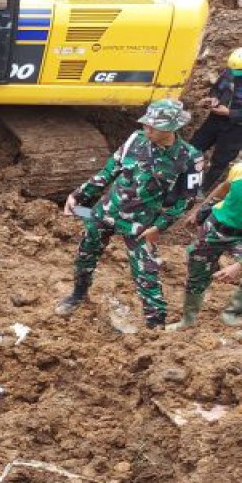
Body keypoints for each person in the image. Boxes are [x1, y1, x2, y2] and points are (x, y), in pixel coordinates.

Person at [57, 99, 204, 328]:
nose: (147, 129)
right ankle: (78, 295)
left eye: (153, 126)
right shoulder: (135, 139)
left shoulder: (189, 157)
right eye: (146, 124)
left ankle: (155, 326)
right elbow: (109, 171)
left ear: (171, 128)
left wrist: (160, 227)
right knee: (85, 256)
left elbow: (186, 200)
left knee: (147, 275)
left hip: (141, 223)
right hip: (106, 211)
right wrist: (79, 195)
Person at [170, 160, 242, 329]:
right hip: (215, 227)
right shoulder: (239, 170)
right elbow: (223, 189)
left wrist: (237, 266)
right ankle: (188, 320)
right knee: (197, 272)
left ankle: (231, 313)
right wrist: (200, 210)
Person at [189, 48, 242, 191]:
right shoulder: (231, 70)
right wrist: (213, 98)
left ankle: (202, 189)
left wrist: (230, 113)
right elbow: (217, 88)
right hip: (216, 118)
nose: (235, 74)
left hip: (236, 128)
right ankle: (184, 180)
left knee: (220, 161)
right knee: (194, 147)